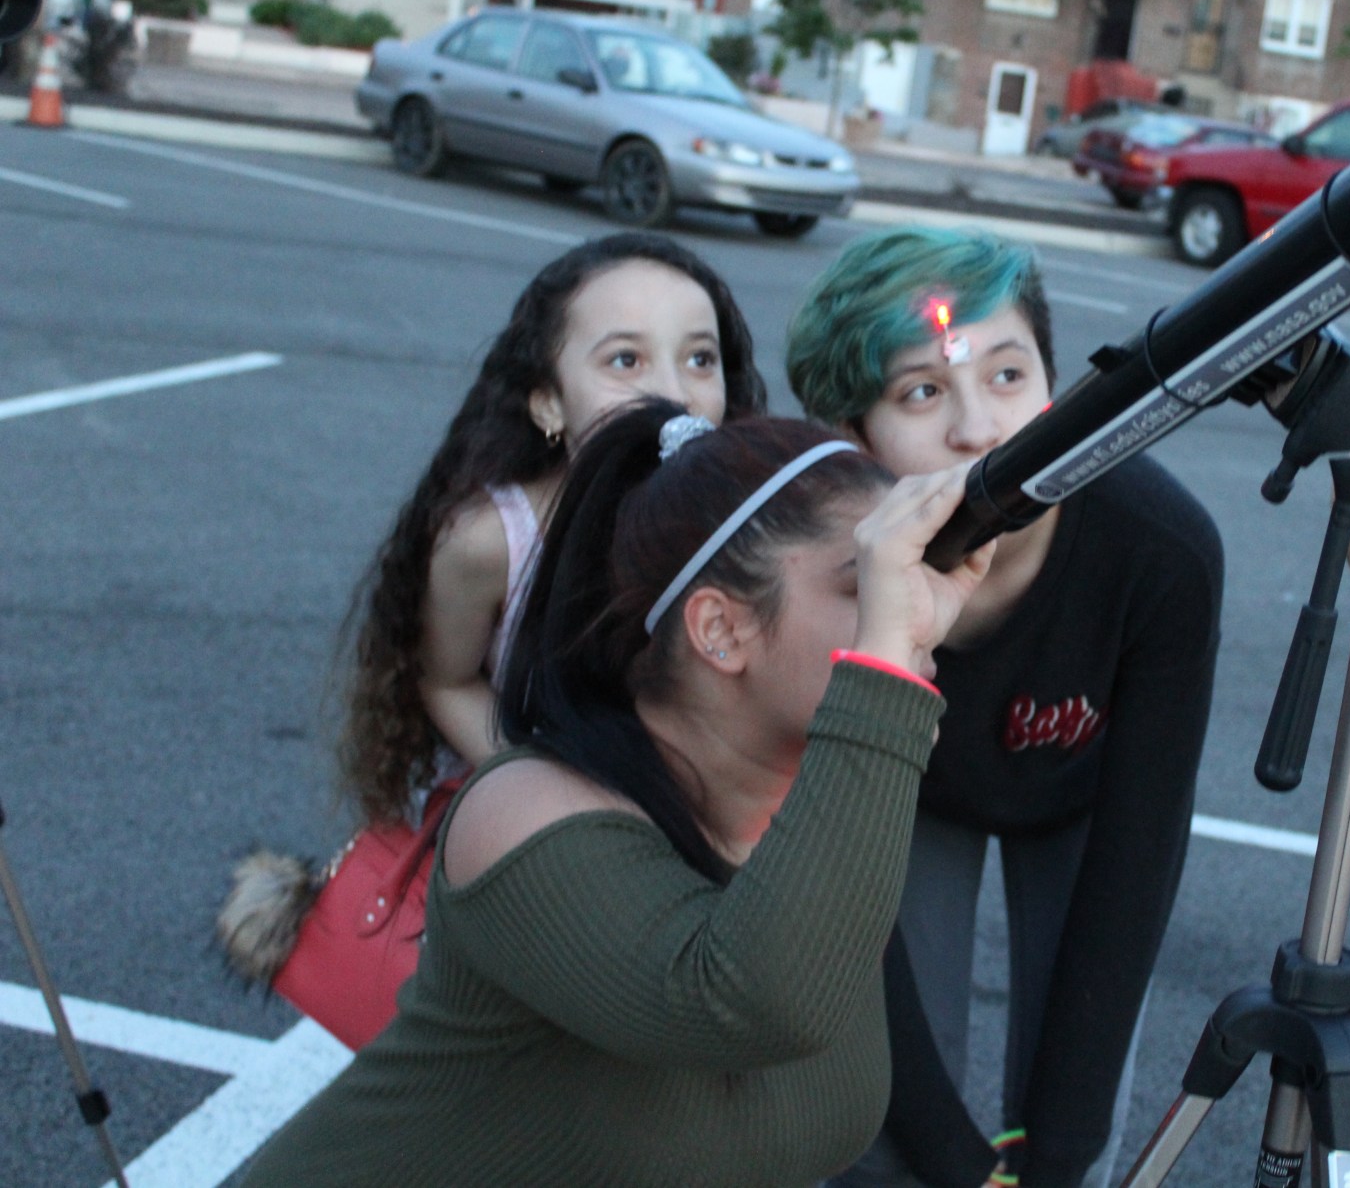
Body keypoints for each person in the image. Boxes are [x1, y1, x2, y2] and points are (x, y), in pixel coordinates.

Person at [239, 406, 996, 1187]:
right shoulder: (526, 815)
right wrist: (878, 690)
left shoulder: (811, 814)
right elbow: (753, 1003)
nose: (909, 615)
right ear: (720, 630)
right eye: (864, 581)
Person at [786, 227, 1226, 1188]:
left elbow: (1135, 865)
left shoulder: (1159, 551)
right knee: (875, 1125)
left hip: (1079, 801)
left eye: (1010, 374)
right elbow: (852, 948)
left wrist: (1054, 1155)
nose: (980, 429)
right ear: (850, 440)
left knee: (1077, 1117)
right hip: (905, 792)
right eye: (921, 392)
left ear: (1057, 385)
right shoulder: (818, 577)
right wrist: (957, 1163)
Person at [219, 232, 764, 1003]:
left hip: (688, 864)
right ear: (547, 400)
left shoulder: (745, 528)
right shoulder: (490, 541)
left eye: (700, 359)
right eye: (625, 361)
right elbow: (444, 680)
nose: (673, 393)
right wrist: (552, 791)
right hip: (530, 860)